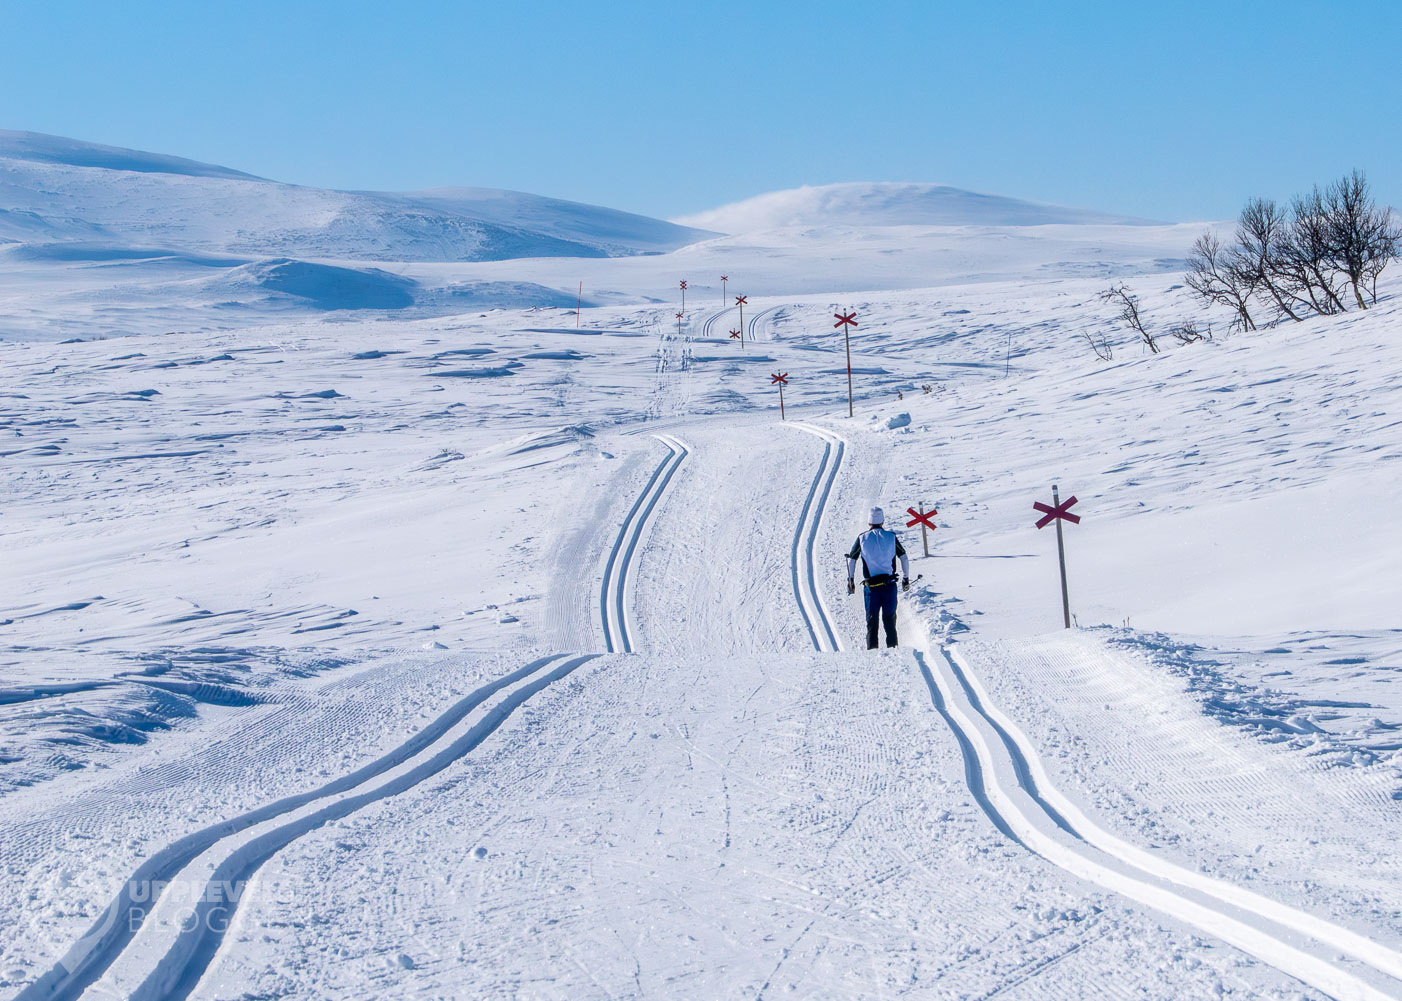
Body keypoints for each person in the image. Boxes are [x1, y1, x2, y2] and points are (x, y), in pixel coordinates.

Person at [846, 507, 911, 649]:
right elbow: (904, 558)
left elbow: (852, 559)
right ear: (883, 521)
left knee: (872, 624)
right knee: (890, 622)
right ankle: (893, 652)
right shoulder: (891, 537)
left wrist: (850, 580)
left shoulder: (862, 538)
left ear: (869, 522)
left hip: (871, 589)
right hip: (889, 587)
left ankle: (872, 655)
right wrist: (906, 578)